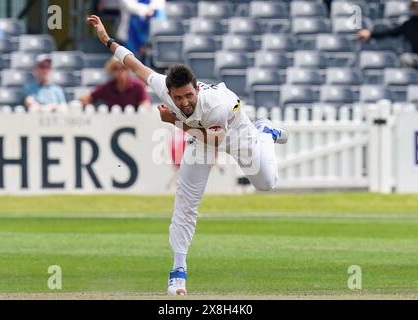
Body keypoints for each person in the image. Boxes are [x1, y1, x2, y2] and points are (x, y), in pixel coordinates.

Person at [88, 15, 289, 296]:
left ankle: (265, 132)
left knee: (267, 184)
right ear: (169, 92)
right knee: (185, 203)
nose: (183, 102)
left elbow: (217, 140)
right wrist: (107, 40)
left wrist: (176, 123)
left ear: (196, 88)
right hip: (201, 139)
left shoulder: (216, 105)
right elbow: (135, 65)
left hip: (236, 137)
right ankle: (178, 273)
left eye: (188, 96)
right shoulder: (166, 90)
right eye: (178, 97)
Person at [357, 0, 418, 68]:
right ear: (414, 9)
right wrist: (371, 34)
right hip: (417, 58)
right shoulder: (410, 24)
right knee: (405, 59)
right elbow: (391, 32)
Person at [80, 56, 150, 111]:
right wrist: (94, 111)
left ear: (129, 70)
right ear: (112, 71)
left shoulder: (138, 86)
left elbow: (145, 104)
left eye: (123, 68)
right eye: (116, 68)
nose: (120, 71)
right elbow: (85, 99)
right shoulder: (107, 88)